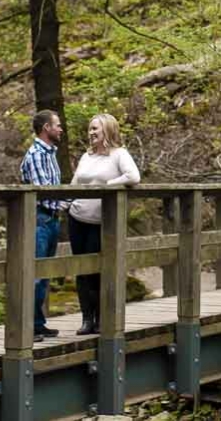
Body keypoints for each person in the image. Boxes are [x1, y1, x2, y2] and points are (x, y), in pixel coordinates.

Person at [68, 113, 140, 335]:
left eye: (95, 129)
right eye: (89, 129)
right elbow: (74, 183)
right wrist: (64, 202)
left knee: (97, 269)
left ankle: (100, 319)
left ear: (107, 130)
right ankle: (86, 319)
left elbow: (133, 177)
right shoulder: (86, 157)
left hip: (100, 221)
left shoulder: (119, 154)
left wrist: (109, 185)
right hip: (77, 216)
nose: (91, 133)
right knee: (81, 269)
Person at [20, 109, 66, 341]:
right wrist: (70, 202)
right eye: (57, 125)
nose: (60, 129)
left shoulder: (50, 153)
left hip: (51, 218)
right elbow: (44, 191)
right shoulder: (37, 154)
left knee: (44, 275)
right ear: (46, 128)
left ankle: (38, 323)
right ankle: (27, 327)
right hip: (40, 218)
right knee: (35, 275)